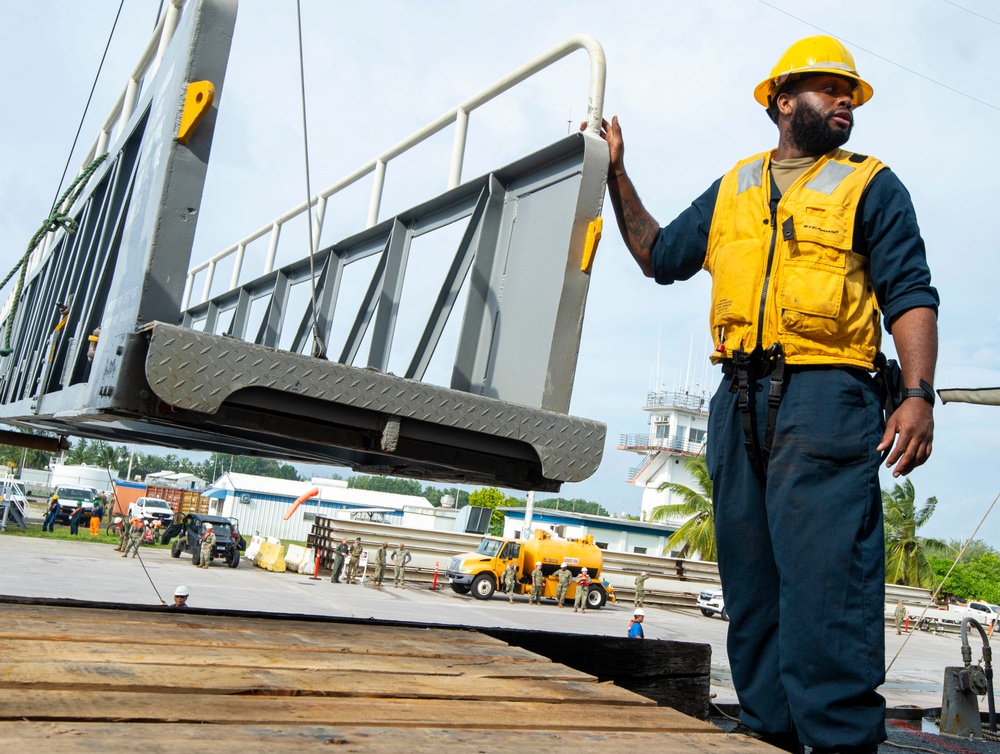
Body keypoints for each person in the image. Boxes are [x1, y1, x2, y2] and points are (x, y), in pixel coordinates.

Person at [594, 35, 937, 754]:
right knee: (751, 589)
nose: (844, 101)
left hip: (827, 399)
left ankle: (841, 744)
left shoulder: (871, 184)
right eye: (827, 89)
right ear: (783, 102)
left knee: (827, 591)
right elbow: (659, 255)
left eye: (850, 93)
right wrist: (615, 177)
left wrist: (917, 393)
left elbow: (909, 292)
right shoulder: (735, 188)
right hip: (737, 401)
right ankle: (765, 733)